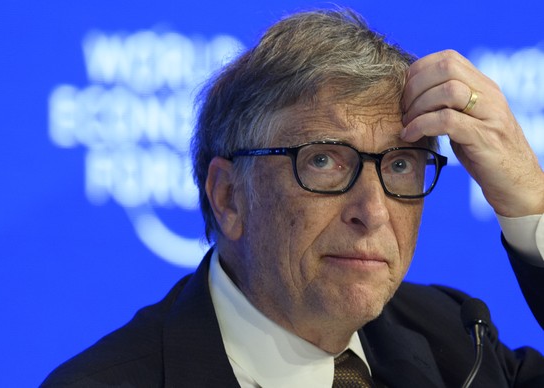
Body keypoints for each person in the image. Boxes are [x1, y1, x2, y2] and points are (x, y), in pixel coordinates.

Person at [42, 7, 544, 387]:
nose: (372, 212)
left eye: (399, 165)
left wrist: (530, 203)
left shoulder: (457, 340)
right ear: (229, 196)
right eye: (323, 161)